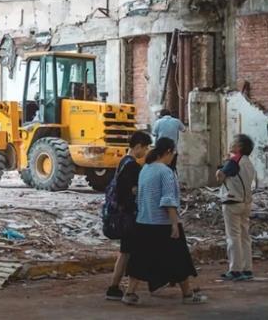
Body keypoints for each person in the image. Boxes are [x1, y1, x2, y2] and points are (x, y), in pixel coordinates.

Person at [123, 137, 207, 306]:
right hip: (163, 223)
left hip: (144, 221)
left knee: (140, 258)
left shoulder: (145, 169)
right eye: (173, 153)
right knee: (179, 258)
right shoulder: (166, 172)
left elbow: (140, 195)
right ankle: (188, 295)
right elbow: (168, 199)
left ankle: (129, 293)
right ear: (168, 151)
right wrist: (175, 223)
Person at [105, 131, 153, 300]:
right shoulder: (132, 166)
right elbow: (129, 192)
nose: (146, 151)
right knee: (130, 253)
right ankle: (125, 290)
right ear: (138, 146)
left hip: (121, 214)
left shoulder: (122, 162)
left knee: (124, 252)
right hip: (129, 215)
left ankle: (114, 287)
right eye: (145, 147)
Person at [216, 134, 256, 282]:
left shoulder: (234, 161)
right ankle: (247, 268)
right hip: (246, 202)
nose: (231, 143)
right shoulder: (249, 163)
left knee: (233, 237)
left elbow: (220, 176)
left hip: (232, 201)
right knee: (245, 236)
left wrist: (220, 170)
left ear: (239, 147)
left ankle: (235, 269)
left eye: (234, 142)